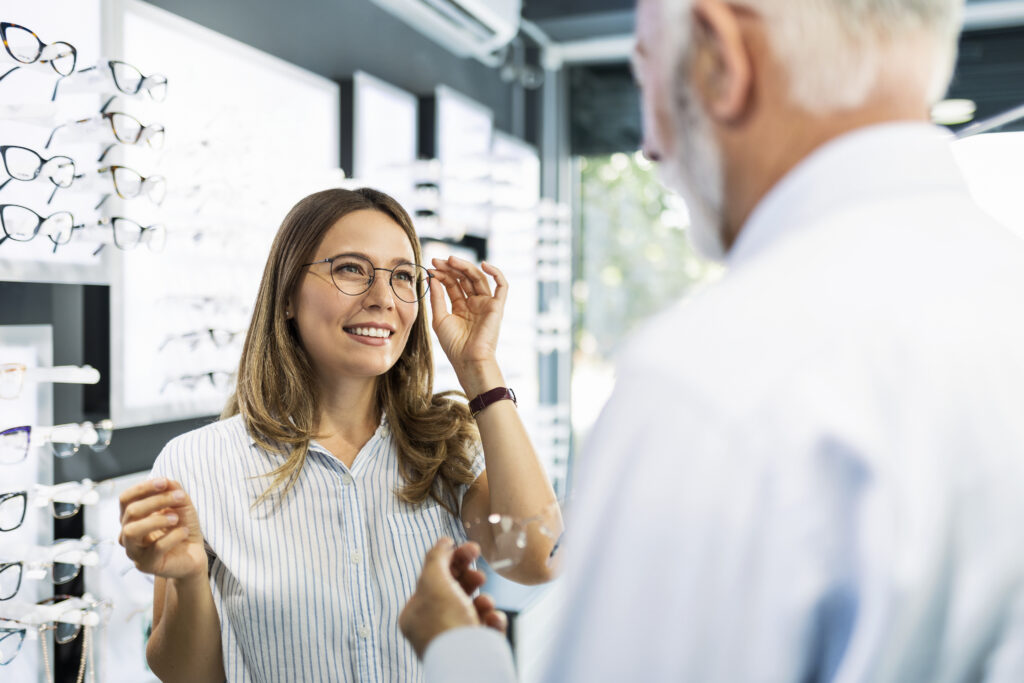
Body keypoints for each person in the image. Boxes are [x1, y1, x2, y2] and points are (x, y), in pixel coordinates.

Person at [400, 0, 1024, 680]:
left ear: (721, 60)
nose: (648, 146)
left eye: (645, 80)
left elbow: (538, 553)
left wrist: (457, 652)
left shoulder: (711, 383)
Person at [117, 187, 561, 682]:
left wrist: (479, 366)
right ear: (288, 295)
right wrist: (191, 580)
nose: (382, 298)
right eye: (351, 269)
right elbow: (187, 675)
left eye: (402, 277)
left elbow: (536, 559)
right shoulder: (195, 463)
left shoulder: (447, 445)